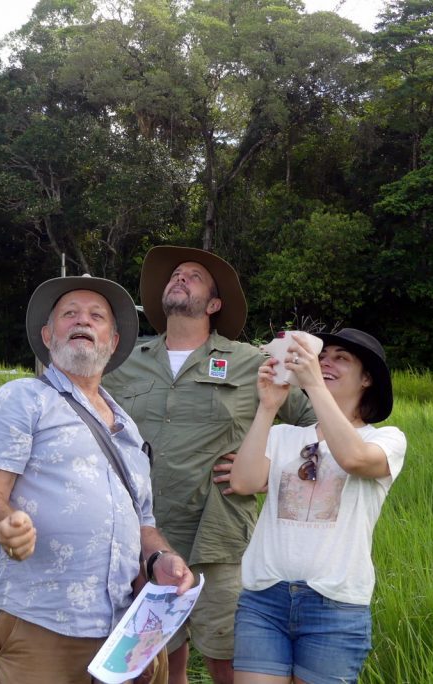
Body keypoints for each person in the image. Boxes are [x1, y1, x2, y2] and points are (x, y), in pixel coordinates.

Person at [104, 246, 316, 684]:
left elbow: (315, 421)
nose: (179, 278)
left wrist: (267, 470)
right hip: (140, 539)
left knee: (228, 661)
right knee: (157, 663)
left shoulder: (251, 362)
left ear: (214, 304)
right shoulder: (124, 364)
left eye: (194, 276)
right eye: (175, 275)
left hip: (217, 538)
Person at [0, 275, 195, 684]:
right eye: (69, 314)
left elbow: (143, 522)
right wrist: (5, 524)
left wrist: (161, 559)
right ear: (47, 334)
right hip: (44, 624)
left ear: (112, 340)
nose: (82, 322)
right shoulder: (22, 398)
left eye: (96, 316)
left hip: (125, 631)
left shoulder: (128, 427)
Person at [229, 328, 407, 683]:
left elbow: (354, 458)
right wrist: (268, 408)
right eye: (323, 356)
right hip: (265, 599)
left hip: (335, 606)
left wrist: (315, 386)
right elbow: (243, 482)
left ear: (367, 379)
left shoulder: (385, 439)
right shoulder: (284, 435)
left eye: (341, 359)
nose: (326, 363)